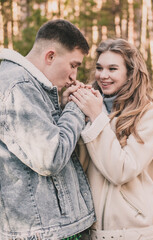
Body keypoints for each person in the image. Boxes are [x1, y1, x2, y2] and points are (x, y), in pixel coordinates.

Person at [0, 19, 96, 240]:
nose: (74, 76)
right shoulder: (18, 87)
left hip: (53, 229)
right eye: (73, 65)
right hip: (45, 233)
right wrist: (75, 108)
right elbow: (50, 157)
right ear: (50, 56)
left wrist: (63, 106)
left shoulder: (31, 86)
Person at [70, 38, 153, 240]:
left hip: (135, 231)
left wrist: (97, 117)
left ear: (130, 73)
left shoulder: (149, 115)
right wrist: (69, 109)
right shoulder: (88, 108)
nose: (103, 76)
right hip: (90, 230)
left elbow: (122, 171)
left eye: (112, 69)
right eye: (99, 68)